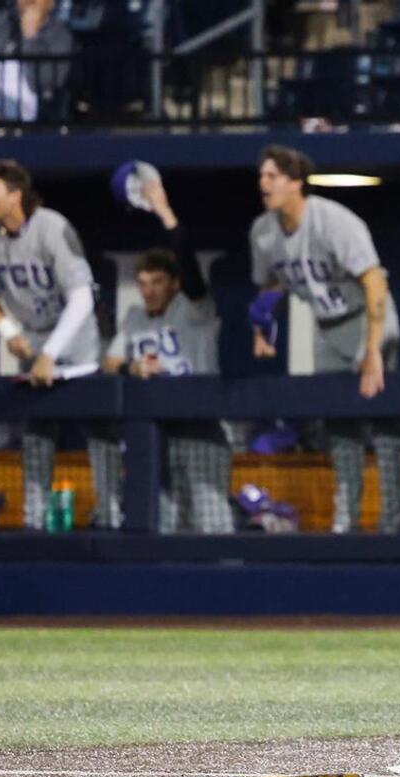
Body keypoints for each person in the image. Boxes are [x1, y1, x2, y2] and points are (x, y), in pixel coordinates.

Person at [247, 145, 400, 534]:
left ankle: (392, 518)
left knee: (384, 423)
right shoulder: (263, 231)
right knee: (338, 424)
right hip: (328, 326)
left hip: (369, 320)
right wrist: (262, 328)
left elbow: (374, 283)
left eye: (273, 176)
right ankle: (345, 518)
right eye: (262, 176)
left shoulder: (333, 221)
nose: (263, 183)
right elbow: (271, 282)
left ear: (296, 182)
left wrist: (372, 351)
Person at [0, 159, 119, 530]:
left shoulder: (52, 227)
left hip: (80, 341)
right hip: (33, 343)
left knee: (101, 432)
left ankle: (111, 516)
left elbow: (81, 298)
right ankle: (35, 523)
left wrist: (51, 353)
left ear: (15, 195)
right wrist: (6, 330)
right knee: (35, 434)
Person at [102, 175, 231, 534]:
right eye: (142, 282)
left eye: (157, 281)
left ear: (173, 284)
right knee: (162, 525)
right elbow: (109, 363)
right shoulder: (133, 318)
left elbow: (189, 267)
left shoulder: (193, 309)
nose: (148, 290)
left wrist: (164, 213)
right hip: (156, 431)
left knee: (211, 524)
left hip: (200, 426)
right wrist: (132, 366)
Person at [0, 0, 72, 122]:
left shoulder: (60, 35)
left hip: (20, 107)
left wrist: (30, 36)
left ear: (51, 3)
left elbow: (43, 83)